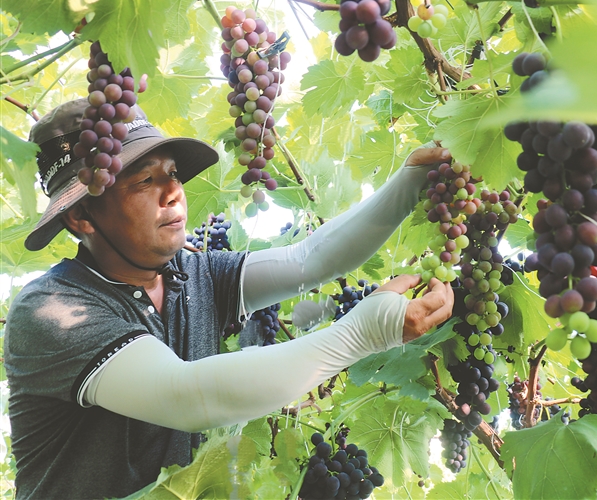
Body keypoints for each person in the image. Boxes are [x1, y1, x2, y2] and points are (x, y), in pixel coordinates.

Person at [4, 98, 455, 499]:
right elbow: (185, 396)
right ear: (82, 216)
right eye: (144, 179)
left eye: (172, 173)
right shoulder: (52, 310)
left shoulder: (193, 275)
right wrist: (362, 334)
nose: (173, 192)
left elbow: (309, 261)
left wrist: (411, 179)